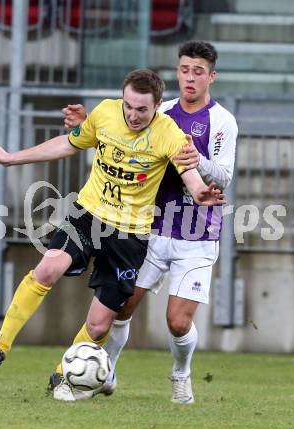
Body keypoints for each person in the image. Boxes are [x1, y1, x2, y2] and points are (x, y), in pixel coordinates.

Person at [0, 68, 224, 401]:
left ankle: (64, 375)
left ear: (158, 105)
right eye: (128, 106)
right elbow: (69, 142)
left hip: (130, 236)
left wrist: (203, 195)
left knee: (101, 326)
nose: (133, 115)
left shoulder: (170, 134)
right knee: (48, 268)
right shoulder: (105, 112)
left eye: (142, 109)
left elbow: (191, 179)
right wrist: (11, 158)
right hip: (88, 215)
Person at [55, 40, 238, 404]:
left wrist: (194, 159)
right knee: (121, 307)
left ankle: (181, 374)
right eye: (184, 69)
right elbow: (121, 140)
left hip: (197, 232)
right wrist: (87, 127)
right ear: (177, 71)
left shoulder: (222, 122)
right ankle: (107, 372)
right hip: (149, 227)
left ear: (211, 77)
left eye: (198, 72)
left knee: (177, 322)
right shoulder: (161, 111)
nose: (190, 78)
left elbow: (224, 176)